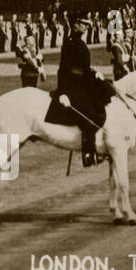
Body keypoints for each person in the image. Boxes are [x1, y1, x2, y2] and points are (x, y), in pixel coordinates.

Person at [56, 17, 101, 167]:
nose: (87, 27)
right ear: (76, 25)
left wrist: (95, 73)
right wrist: (62, 92)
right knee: (89, 114)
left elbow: (84, 67)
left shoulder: (80, 42)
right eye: (84, 24)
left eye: (88, 25)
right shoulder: (69, 42)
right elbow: (63, 69)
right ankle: (88, 153)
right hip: (72, 86)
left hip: (82, 83)